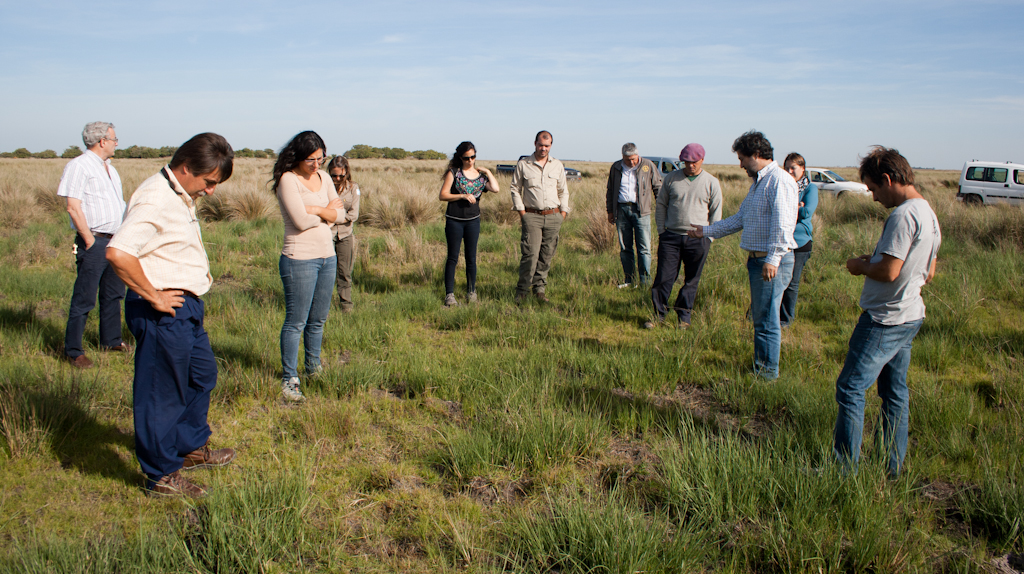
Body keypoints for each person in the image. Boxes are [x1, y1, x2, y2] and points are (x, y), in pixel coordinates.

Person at [106, 133, 237, 498]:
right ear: (184, 168)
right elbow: (118, 253)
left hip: (187, 308)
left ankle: (190, 447)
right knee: (163, 394)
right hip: (163, 311)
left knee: (201, 375)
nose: (211, 191)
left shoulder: (180, 194)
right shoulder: (155, 197)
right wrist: (153, 296)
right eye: (209, 182)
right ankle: (162, 474)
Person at [833, 147, 940, 478]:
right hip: (910, 314)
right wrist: (877, 261)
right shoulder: (928, 213)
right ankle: (891, 467)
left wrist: (860, 266)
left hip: (884, 318)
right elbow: (929, 271)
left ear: (888, 179)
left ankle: (843, 470)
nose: (874, 197)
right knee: (894, 393)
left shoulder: (903, 215)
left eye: (873, 189)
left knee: (850, 388)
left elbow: (890, 272)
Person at [689, 131, 798, 379]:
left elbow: (783, 224)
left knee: (767, 320)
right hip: (759, 260)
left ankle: (767, 373)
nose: (740, 165)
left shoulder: (779, 181)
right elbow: (740, 219)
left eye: (742, 158)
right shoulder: (760, 184)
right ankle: (762, 368)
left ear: (757, 155)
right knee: (761, 319)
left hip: (771, 262)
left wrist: (772, 259)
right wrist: (705, 231)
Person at [272, 131, 344, 402]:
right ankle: (290, 379)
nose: (317, 164)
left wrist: (314, 210)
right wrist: (324, 211)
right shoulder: (288, 180)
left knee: (318, 320)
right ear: (297, 156)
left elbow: (340, 215)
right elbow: (300, 222)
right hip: (299, 258)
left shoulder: (325, 177)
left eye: (320, 158)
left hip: (327, 257)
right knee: (296, 322)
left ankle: (314, 368)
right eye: (311, 159)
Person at [57, 121, 129, 368]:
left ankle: (111, 341)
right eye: (114, 139)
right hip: (94, 241)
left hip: (114, 240)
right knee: (84, 297)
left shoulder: (110, 168)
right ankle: (73, 350)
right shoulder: (78, 166)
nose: (116, 143)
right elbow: (73, 206)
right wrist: (88, 239)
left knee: (113, 294)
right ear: (102, 141)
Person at [648, 144, 722, 329]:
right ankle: (658, 315)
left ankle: (684, 317)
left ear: (702, 160)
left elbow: (716, 212)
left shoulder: (711, 182)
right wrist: (661, 231)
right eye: (686, 162)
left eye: (694, 162)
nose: (690, 166)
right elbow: (661, 205)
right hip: (671, 237)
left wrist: (709, 237)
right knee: (664, 277)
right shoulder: (671, 179)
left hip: (698, 239)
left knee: (691, 279)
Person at [510, 131, 570, 304]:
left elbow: (563, 190)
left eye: (547, 145)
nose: (543, 149)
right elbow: (515, 188)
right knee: (530, 255)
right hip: (532, 216)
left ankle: (539, 290)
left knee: (546, 255)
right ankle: (522, 291)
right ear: (535, 143)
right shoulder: (524, 164)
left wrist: (563, 213)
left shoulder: (557, 165)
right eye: (541, 145)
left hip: (553, 216)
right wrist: (522, 213)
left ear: (551, 145)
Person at [438, 141, 499, 306]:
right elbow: (443, 195)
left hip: (473, 222)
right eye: (466, 158)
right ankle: (449, 295)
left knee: (471, 258)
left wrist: (487, 172)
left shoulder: (480, 177)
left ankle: (471, 291)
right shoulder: (454, 173)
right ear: (460, 157)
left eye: (473, 157)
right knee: (452, 258)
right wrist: (462, 196)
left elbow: (495, 188)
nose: (470, 161)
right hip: (454, 221)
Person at [606, 143, 662, 288]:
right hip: (621, 210)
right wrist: (610, 211)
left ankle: (645, 282)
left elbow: (657, 187)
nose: (631, 162)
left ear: (638, 155)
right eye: (628, 159)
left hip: (641, 211)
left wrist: (662, 208)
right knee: (625, 248)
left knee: (644, 247)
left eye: (634, 159)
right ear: (622, 156)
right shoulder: (616, 167)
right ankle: (629, 280)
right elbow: (610, 190)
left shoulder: (647, 166)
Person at [780, 152, 819, 327]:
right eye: (786, 167)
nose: (789, 171)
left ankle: (786, 320)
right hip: (781, 240)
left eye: (793, 168)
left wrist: (794, 208)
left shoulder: (810, 189)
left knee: (792, 284)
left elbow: (807, 212)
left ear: (802, 169)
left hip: (800, 241)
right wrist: (797, 208)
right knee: (775, 280)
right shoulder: (781, 186)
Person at [327, 156, 360, 312]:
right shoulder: (323, 187)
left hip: (345, 235)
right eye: (334, 175)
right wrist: (340, 217)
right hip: (327, 234)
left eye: (341, 175)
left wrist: (332, 217)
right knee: (325, 272)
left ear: (347, 172)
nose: (338, 179)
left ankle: (346, 304)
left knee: (344, 271)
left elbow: (354, 214)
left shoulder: (353, 188)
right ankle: (322, 304)